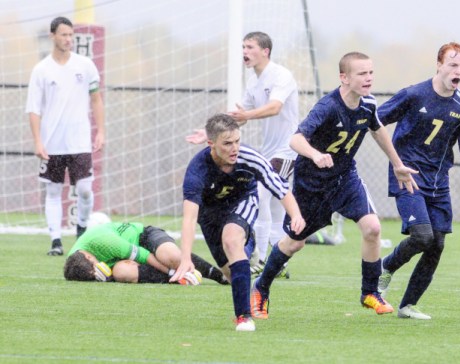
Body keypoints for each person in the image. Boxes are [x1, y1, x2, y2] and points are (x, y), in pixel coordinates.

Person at [249, 52, 418, 321]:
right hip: (312, 185)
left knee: (373, 228)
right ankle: (261, 287)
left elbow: (377, 129)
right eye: (362, 73)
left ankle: (370, 292)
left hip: (345, 179)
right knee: (294, 244)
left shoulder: (368, 104)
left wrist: (397, 163)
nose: (369, 78)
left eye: (371, 73)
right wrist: (315, 155)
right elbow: (295, 140)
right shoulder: (328, 107)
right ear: (344, 78)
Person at [375, 42, 460, 320]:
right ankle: (386, 265)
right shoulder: (413, 95)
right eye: (452, 64)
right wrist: (395, 160)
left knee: (436, 244)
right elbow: (376, 120)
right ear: (438, 65)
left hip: (439, 183)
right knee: (422, 236)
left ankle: (407, 305)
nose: (457, 71)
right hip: (407, 176)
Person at [171, 114, 305, 332]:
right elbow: (189, 217)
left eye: (237, 141)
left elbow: (278, 186)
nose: (234, 148)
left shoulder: (248, 157)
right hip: (210, 215)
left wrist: (296, 215)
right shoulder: (197, 170)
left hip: (243, 200)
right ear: (211, 144)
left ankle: (243, 317)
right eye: (227, 143)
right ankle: (248, 246)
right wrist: (185, 258)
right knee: (233, 276)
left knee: (232, 240)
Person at [187, 31, 298, 277]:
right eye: (243, 47)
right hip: (269, 150)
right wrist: (210, 132)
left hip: (288, 149)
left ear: (265, 51)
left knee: (260, 195)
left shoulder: (282, 75)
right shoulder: (252, 81)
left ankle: (259, 259)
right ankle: (280, 263)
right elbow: (238, 117)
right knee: (277, 211)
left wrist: (246, 115)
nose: (244, 52)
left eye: (250, 47)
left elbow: (275, 107)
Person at [26, 16, 105, 256]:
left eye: (71, 35)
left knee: (84, 189)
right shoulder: (41, 70)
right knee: (53, 191)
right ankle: (56, 241)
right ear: (53, 36)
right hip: (52, 144)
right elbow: (33, 109)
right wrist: (38, 141)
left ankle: (81, 229)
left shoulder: (85, 65)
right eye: (64, 35)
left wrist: (101, 130)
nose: (68, 39)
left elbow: (95, 99)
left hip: (80, 141)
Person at [63, 221, 227, 285]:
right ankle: (179, 280)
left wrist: (172, 272)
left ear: (89, 256)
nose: (97, 269)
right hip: (124, 259)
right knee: (122, 272)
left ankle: (219, 275)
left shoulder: (103, 241)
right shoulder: (75, 262)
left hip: (143, 238)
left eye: (95, 266)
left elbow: (144, 255)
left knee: (171, 257)